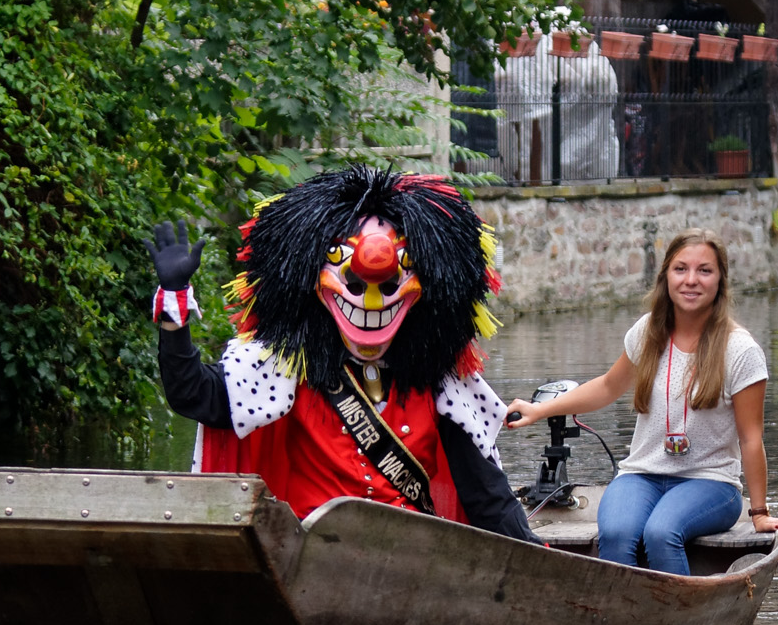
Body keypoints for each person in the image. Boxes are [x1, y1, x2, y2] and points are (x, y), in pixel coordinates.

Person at [148, 165, 537, 541]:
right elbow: (192, 394)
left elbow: (487, 497)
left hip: (411, 557)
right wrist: (174, 310)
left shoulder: (440, 383)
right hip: (313, 556)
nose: (370, 295)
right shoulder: (285, 368)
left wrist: (541, 564)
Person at [503, 228, 778, 574]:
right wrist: (540, 410)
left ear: (720, 280)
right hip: (642, 474)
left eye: (705, 270)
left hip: (712, 483)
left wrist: (759, 513)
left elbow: (750, 438)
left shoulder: (741, 351)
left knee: (661, 532)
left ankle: (681, 624)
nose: (691, 280)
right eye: (680, 269)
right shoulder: (648, 332)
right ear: (665, 275)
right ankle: (626, 621)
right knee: (618, 533)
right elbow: (608, 386)